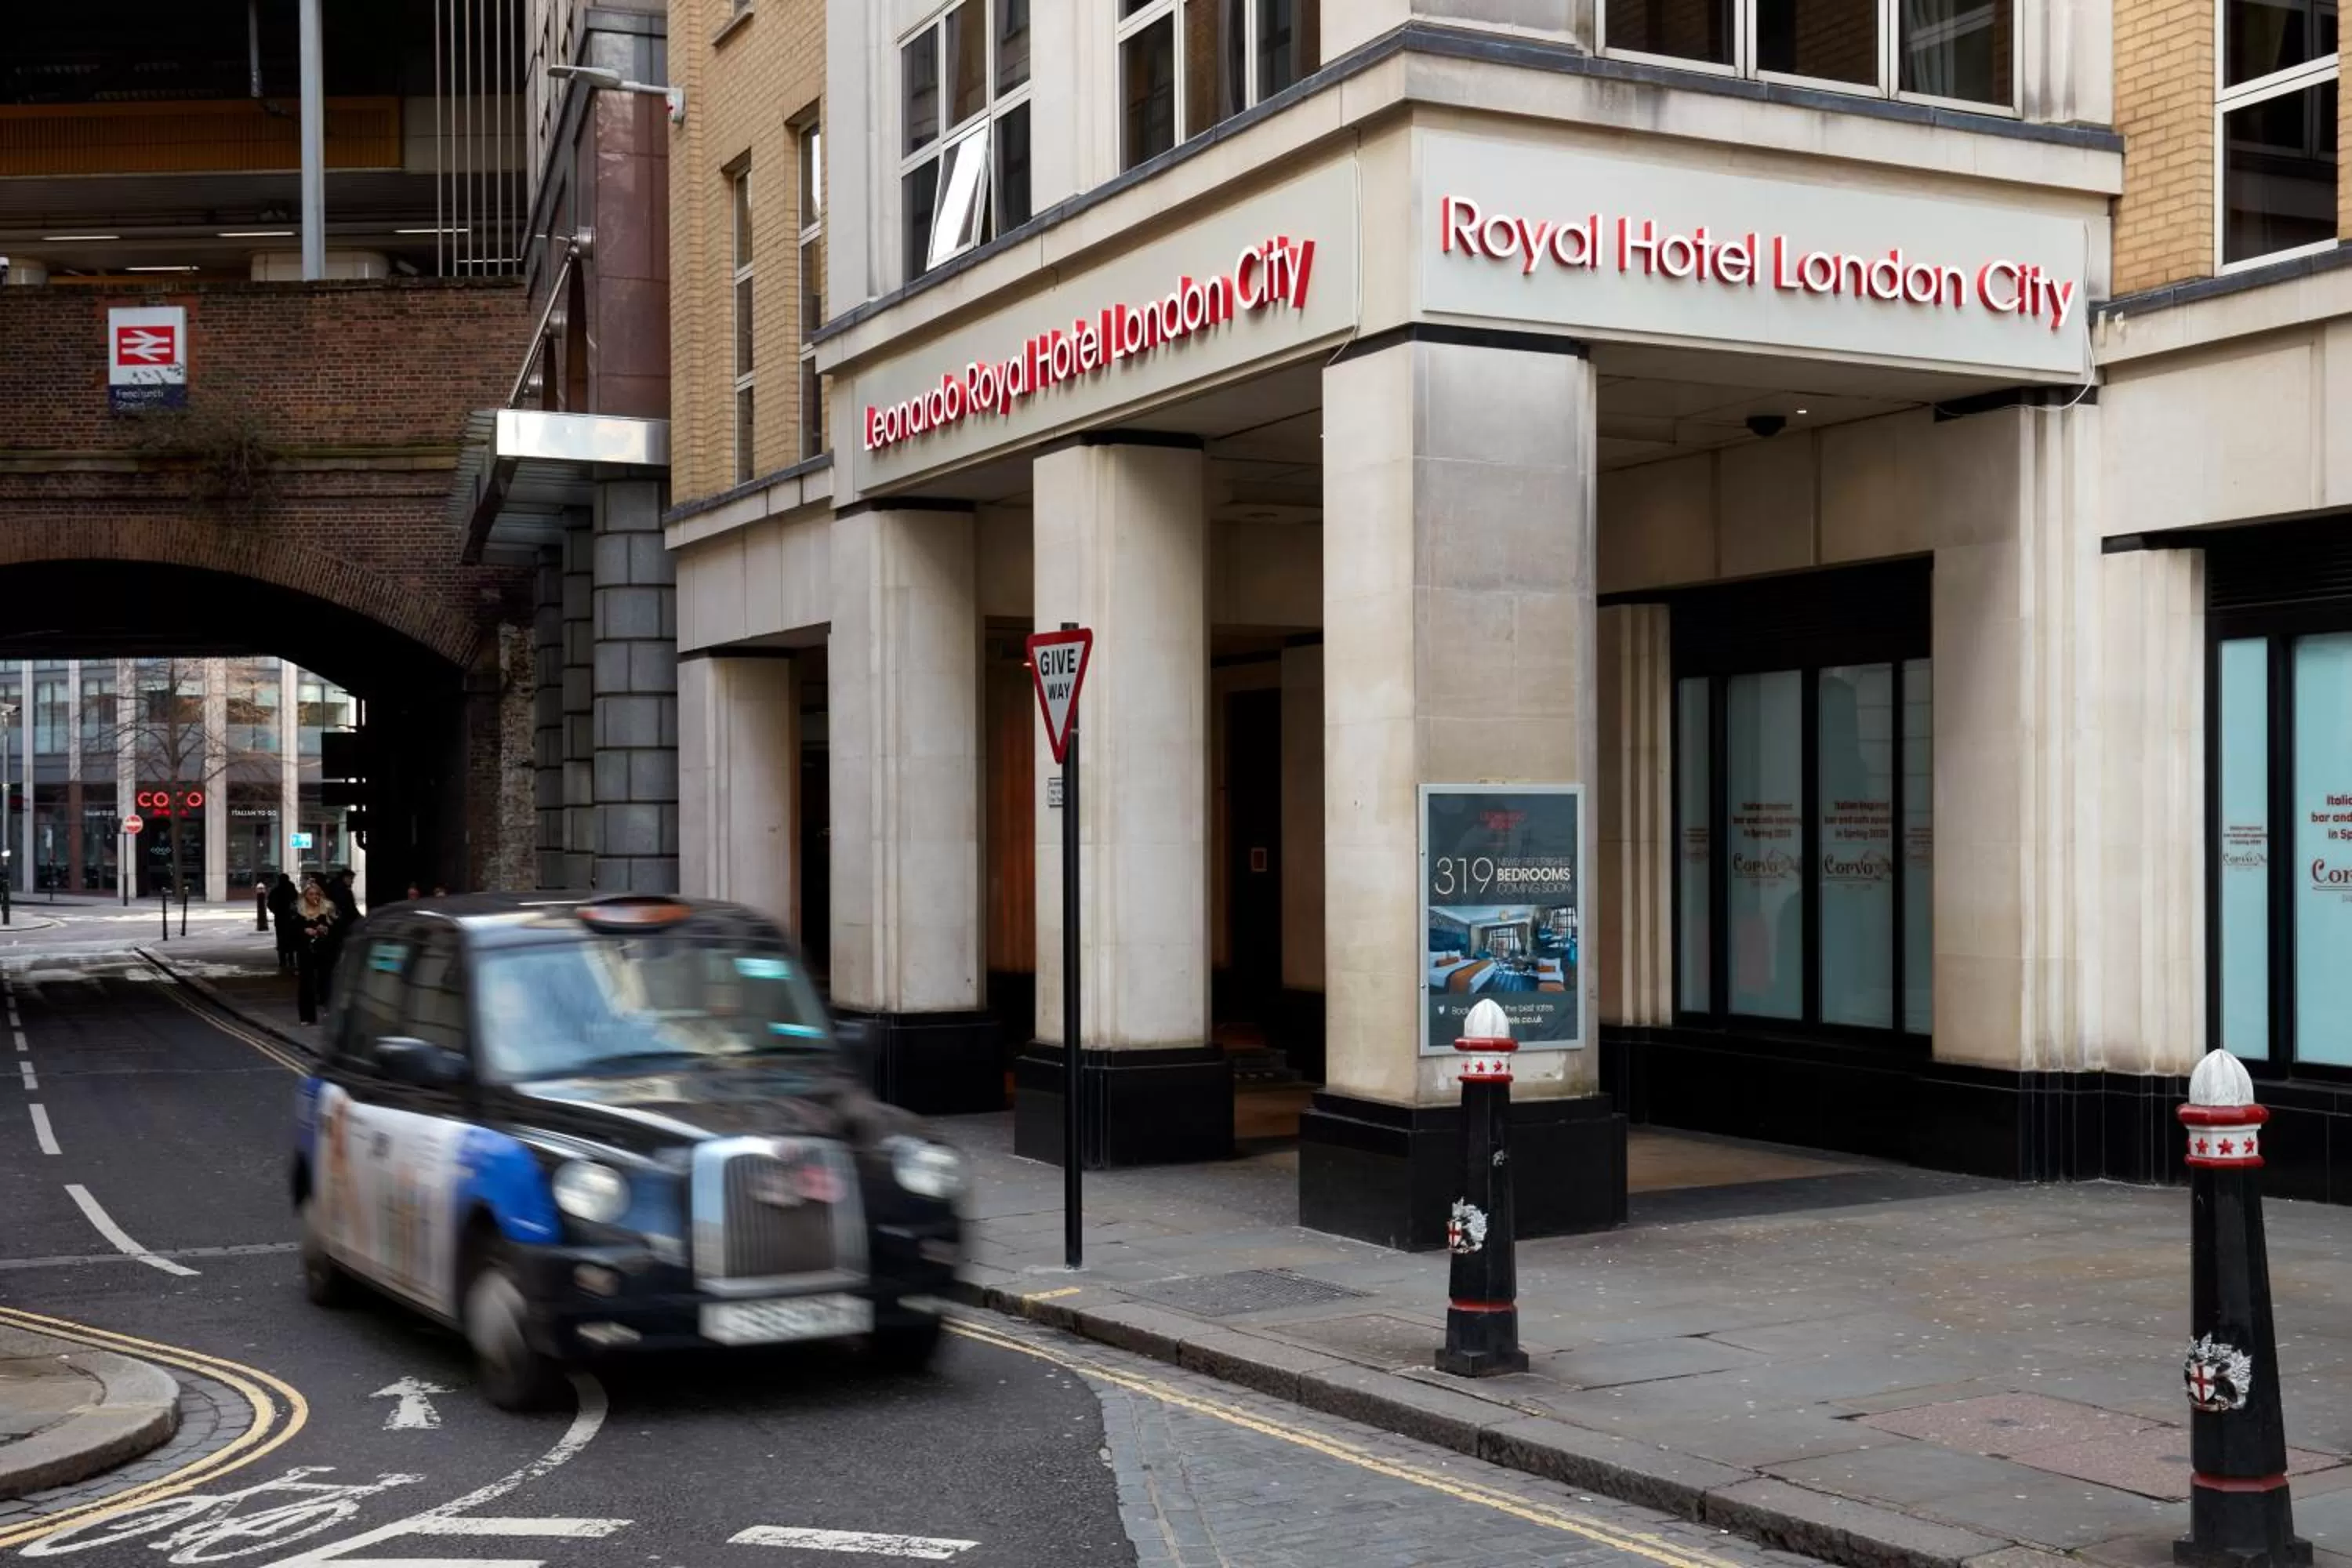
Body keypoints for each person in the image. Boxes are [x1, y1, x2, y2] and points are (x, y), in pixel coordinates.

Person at [294, 878, 337, 1025]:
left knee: (326, 981)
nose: (315, 897)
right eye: (312, 894)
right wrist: (305, 930)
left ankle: (329, 1011)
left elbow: (335, 929)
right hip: (306, 951)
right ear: (305, 896)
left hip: (323, 950)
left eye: (317, 894)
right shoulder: (300, 912)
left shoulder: (326, 910)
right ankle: (307, 1017)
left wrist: (324, 930)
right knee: (306, 983)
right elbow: (292, 931)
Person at [320, 869, 361, 1004]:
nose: (352, 883)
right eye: (351, 880)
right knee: (335, 963)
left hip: (330, 931)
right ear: (346, 878)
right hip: (338, 931)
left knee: (327, 965)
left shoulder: (331, 888)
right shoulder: (342, 891)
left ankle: (324, 995)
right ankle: (330, 996)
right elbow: (350, 910)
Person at [267, 874, 299, 973]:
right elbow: (297, 902)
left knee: (281, 939)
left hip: (280, 918)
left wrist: (275, 911)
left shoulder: (276, 890)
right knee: (291, 939)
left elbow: (270, 904)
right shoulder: (292, 889)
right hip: (291, 918)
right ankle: (291, 960)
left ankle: (282, 961)